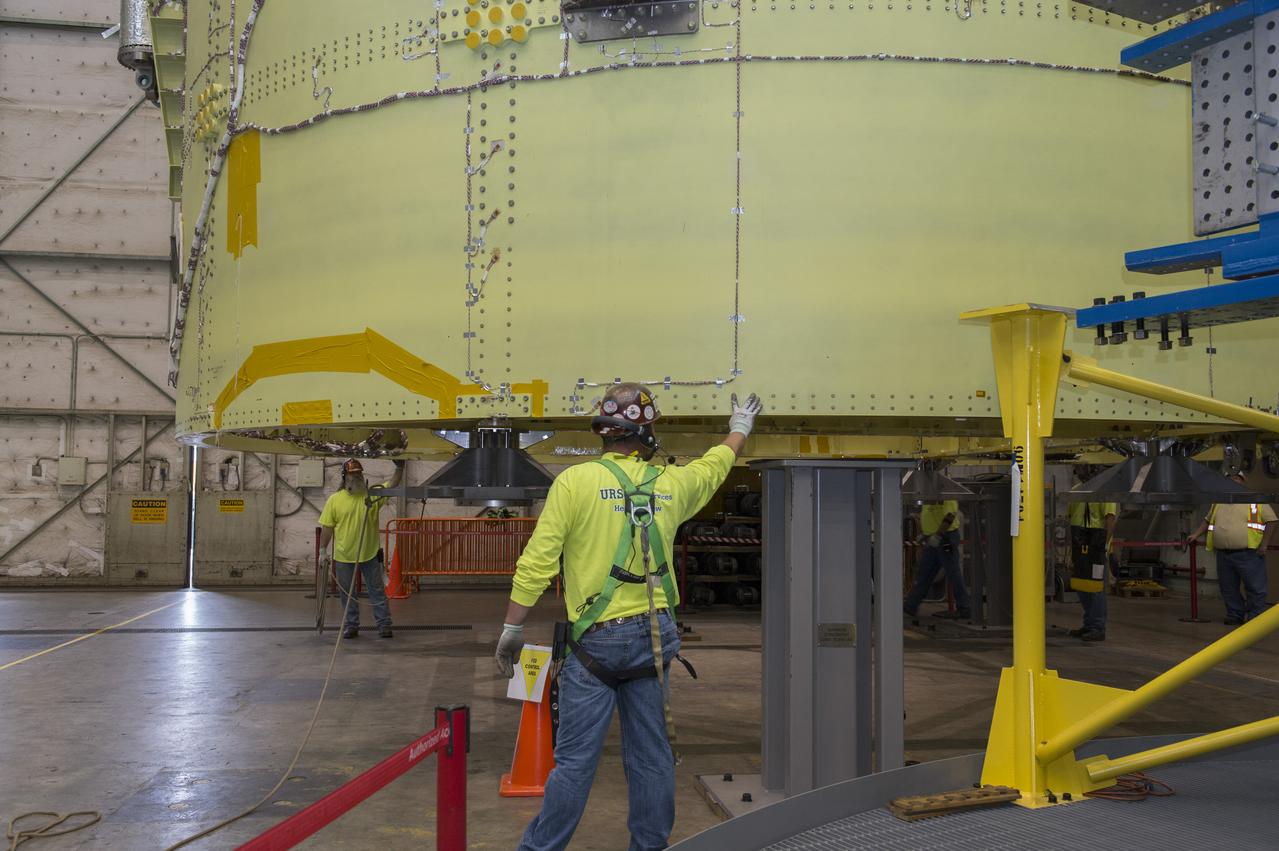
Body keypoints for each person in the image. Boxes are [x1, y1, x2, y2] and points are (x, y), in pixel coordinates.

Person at [494, 384, 763, 851]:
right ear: (646, 434)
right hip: (654, 640)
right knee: (652, 758)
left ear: (603, 433)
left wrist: (512, 627)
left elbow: (538, 561)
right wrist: (739, 427)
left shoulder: (575, 482)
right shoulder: (671, 484)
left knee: (575, 762)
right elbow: (713, 465)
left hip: (595, 643)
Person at [318, 457, 405, 639]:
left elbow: (393, 483)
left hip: (370, 554)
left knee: (376, 590)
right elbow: (327, 527)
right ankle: (351, 625)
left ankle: (384, 625)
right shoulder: (335, 500)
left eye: (358, 473)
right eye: (352, 473)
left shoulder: (372, 495)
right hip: (343, 556)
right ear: (344, 476)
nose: (356, 476)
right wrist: (322, 551)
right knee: (347, 593)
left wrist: (399, 468)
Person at [1188, 475, 1277, 625]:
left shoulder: (1254, 500)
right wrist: (1196, 534)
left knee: (1255, 587)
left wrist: (1265, 544)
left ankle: (1256, 617)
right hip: (1223, 554)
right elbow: (1207, 520)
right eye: (1229, 481)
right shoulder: (1219, 502)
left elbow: (1272, 520)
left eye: (1236, 481)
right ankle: (1235, 614)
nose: (1232, 484)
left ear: (1243, 484)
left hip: (1248, 553)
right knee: (1228, 588)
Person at [903, 499, 971, 620]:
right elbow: (930, 515)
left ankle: (964, 607)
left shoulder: (946, 492)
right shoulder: (929, 491)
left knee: (953, 573)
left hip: (945, 537)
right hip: (933, 538)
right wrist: (926, 534)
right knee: (924, 574)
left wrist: (938, 535)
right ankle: (910, 606)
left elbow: (950, 515)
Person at [1067, 500, 1117, 642]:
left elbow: (1111, 518)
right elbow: (1071, 518)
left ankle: (1097, 627)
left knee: (1095, 588)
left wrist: (1104, 545)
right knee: (1081, 586)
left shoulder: (1103, 491)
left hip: (1096, 547)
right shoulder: (1076, 492)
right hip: (1079, 544)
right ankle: (1089, 624)